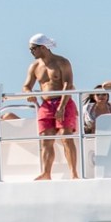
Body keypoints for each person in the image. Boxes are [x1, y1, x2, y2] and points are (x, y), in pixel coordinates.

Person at [22, 35, 79, 180]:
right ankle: (46, 173)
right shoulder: (34, 66)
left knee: (66, 137)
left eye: (33, 48)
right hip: (46, 104)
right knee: (46, 139)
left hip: (64, 101)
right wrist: (28, 93)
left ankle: (74, 173)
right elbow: (26, 86)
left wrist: (62, 106)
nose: (31, 52)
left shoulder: (62, 62)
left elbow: (68, 84)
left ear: (43, 47)